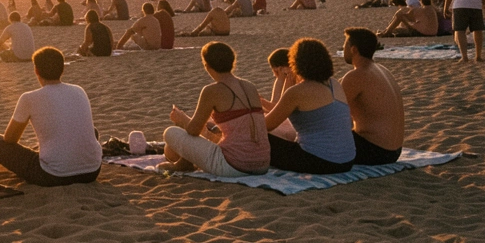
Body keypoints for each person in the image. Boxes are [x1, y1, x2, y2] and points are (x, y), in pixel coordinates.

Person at [0, 46, 102, 186]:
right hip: (92, 172)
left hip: (53, 175)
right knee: (92, 131)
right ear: (62, 69)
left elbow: (10, 139)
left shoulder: (29, 98)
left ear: (36, 70)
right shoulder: (79, 90)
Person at [162, 42, 269, 176]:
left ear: (206, 66)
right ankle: (183, 163)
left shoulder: (211, 90)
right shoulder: (250, 86)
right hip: (263, 164)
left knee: (170, 132)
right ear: (232, 62)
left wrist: (181, 119)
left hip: (234, 166)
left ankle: (183, 164)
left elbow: (193, 130)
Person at [264, 38, 355, 174]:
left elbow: (266, 125)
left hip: (320, 161)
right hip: (347, 161)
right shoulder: (334, 84)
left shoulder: (298, 91)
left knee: (253, 136)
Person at [340, 28, 404, 165]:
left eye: (345, 45)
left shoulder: (356, 76)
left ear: (353, 50)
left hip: (375, 152)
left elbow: (333, 113)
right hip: (395, 151)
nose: (342, 48)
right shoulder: (383, 70)